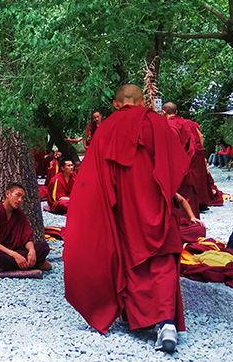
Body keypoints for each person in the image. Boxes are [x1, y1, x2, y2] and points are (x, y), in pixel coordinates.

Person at [64, 84, 190, 353]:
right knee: (163, 259)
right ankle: (166, 323)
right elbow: (177, 165)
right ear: (143, 101)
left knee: (129, 259)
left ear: (115, 103)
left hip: (124, 211)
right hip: (155, 207)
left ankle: (140, 318)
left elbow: (92, 183)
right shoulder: (157, 123)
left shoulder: (106, 130)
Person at [0, 182, 51, 272]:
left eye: (22, 198)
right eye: (18, 195)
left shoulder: (19, 214)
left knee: (43, 247)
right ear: (7, 194)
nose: (20, 200)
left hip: (15, 249)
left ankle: (6, 266)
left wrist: (32, 251)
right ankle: (35, 264)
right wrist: (15, 255)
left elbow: (26, 239)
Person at [163, 103, 212, 213]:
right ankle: (199, 205)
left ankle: (181, 212)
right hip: (192, 155)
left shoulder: (168, 124)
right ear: (176, 112)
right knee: (196, 180)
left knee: (180, 185)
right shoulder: (188, 123)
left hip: (177, 159)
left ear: (164, 111)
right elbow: (199, 137)